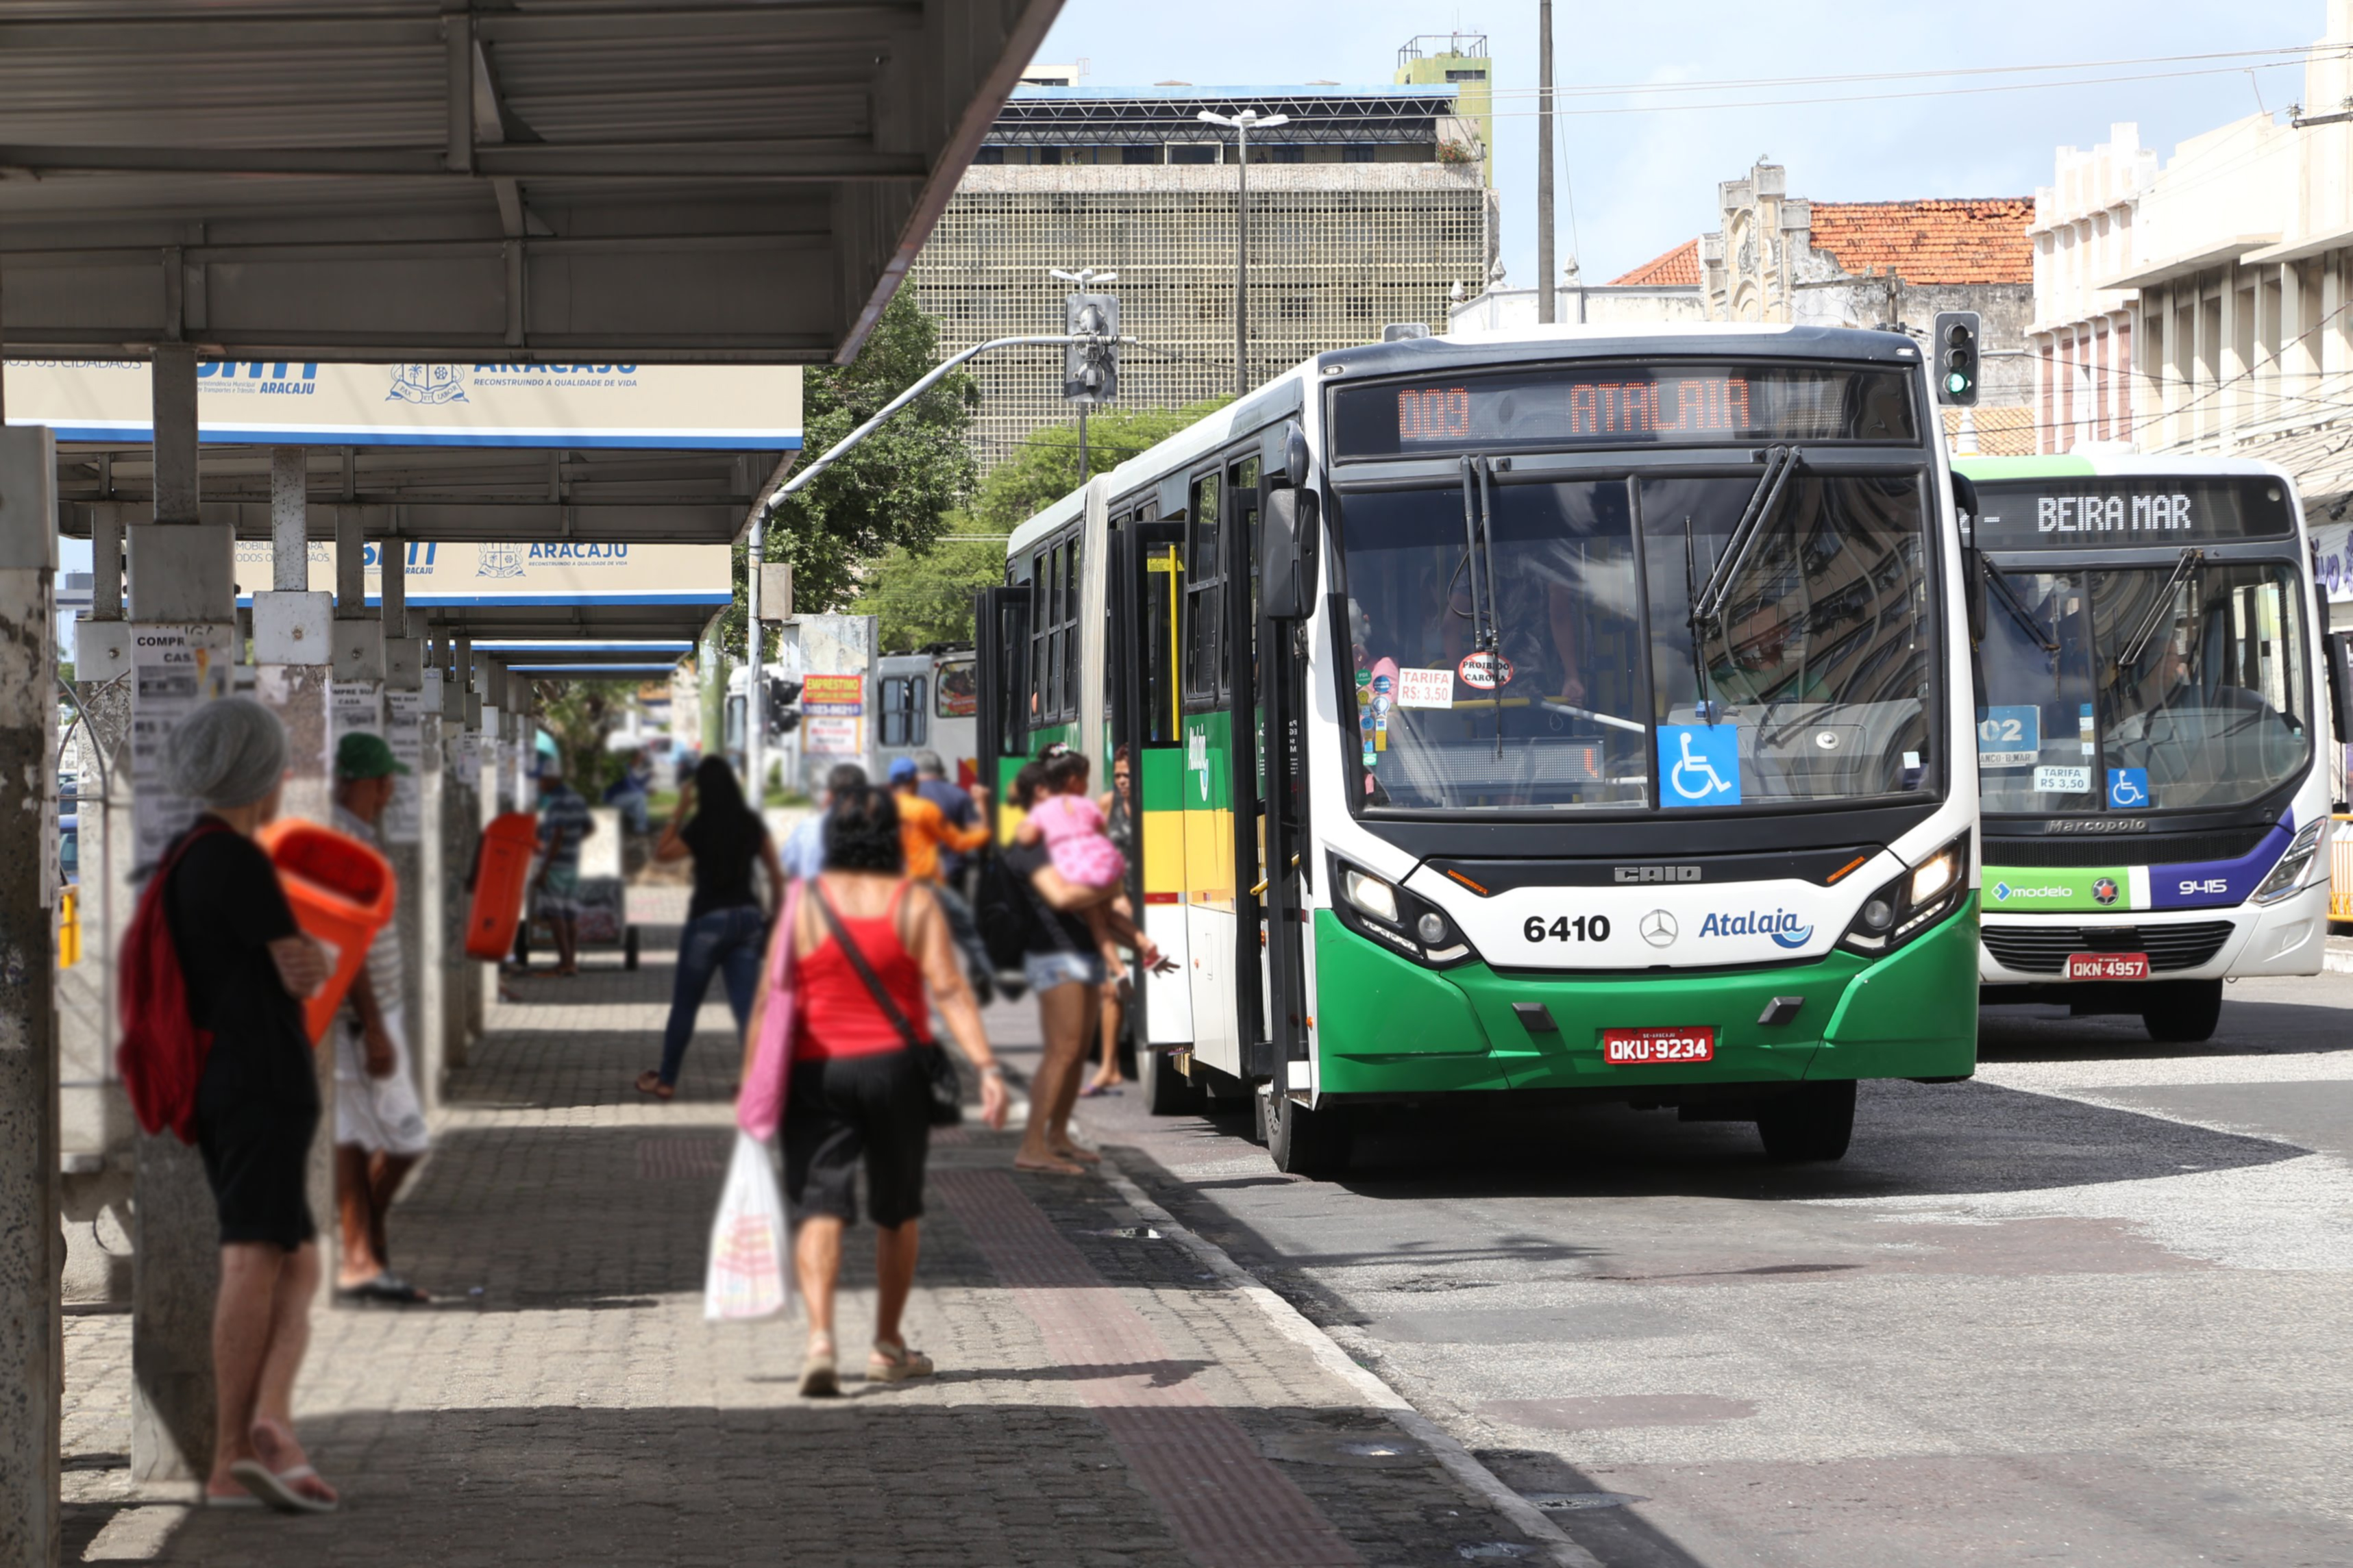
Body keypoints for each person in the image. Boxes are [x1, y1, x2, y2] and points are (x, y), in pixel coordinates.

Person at [738, 785, 1009, 1397]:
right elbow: (950, 992)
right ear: (894, 837)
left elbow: (767, 999)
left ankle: (820, 1341)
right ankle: (887, 1345)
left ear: (833, 838)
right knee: (897, 1207)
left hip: (818, 1071)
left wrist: (754, 1082)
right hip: (895, 1073)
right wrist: (987, 1067)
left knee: (820, 1203)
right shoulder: (915, 904)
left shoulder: (802, 904)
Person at [158, 697, 338, 1513]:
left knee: (296, 1262)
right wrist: (309, 954)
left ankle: (268, 1421)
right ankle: (233, 1454)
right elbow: (302, 967)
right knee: (253, 1255)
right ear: (257, 774)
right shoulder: (234, 861)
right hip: (256, 1081)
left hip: (236, 1078)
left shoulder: (186, 857)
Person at [1000, 756, 1168, 1174]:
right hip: (1054, 957)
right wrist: (1106, 885)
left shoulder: (1064, 844)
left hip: (1081, 955)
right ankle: (1032, 1145)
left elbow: (1102, 915)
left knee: (1075, 1055)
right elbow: (1061, 899)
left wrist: (1143, 943)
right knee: (1063, 1052)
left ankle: (1057, 1134)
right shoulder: (1029, 845)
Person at [328, 732, 431, 1306]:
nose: (391, 789)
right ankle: (361, 1254)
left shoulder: (359, 836)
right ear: (363, 782)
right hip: (356, 1020)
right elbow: (348, 941)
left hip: (368, 1016)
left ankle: (366, 1249)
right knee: (391, 1139)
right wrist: (373, 1024)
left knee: (367, 1140)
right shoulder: (344, 840)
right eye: (383, 779)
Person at [637, 757, 784, 1101]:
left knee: (686, 1005)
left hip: (708, 922)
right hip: (748, 921)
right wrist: (774, 915)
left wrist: (681, 807)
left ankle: (667, 1080)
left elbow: (663, 854)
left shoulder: (701, 825)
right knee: (747, 1008)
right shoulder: (750, 823)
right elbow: (776, 874)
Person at [889, 756, 995, 999]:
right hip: (939, 880)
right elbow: (962, 840)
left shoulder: (886, 806)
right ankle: (982, 974)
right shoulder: (951, 798)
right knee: (968, 933)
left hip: (899, 886)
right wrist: (982, 807)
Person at [1085, 745, 1140, 1097]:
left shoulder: (1154, 803)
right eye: (1118, 775)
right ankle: (1109, 1066)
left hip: (1153, 903)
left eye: (1127, 776)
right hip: (1119, 906)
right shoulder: (1107, 806)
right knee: (1110, 990)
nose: (1122, 782)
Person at [531, 760, 595, 975]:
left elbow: (557, 835)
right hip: (571, 865)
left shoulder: (558, 802)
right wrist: (573, 844)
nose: (539, 784)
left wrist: (544, 869)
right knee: (569, 916)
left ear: (550, 779)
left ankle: (565, 963)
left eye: (540, 779)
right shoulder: (577, 798)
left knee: (555, 915)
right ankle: (572, 963)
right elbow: (589, 827)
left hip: (555, 867)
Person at [781, 762, 866, 882]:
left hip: (812, 896)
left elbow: (790, 866)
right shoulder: (875, 829)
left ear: (829, 793)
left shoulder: (807, 827)